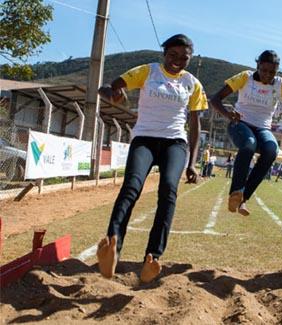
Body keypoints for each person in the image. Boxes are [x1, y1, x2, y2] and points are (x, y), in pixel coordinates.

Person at [95, 34, 207, 283]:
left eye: (183, 57)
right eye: (172, 55)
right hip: (144, 138)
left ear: (190, 58)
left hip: (175, 143)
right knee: (131, 187)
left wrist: (192, 163)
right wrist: (115, 94)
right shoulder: (149, 71)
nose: (177, 60)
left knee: (169, 189)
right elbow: (116, 84)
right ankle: (112, 246)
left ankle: (152, 257)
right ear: (164, 53)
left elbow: (195, 125)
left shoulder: (193, 83)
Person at [210, 50, 282, 215]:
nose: (268, 75)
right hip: (239, 124)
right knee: (249, 144)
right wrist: (228, 114)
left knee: (271, 150)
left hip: (263, 128)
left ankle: (244, 199)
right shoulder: (245, 77)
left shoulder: (280, 85)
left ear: (277, 71)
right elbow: (215, 99)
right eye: (264, 70)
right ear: (258, 66)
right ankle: (236, 191)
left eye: (272, 72)